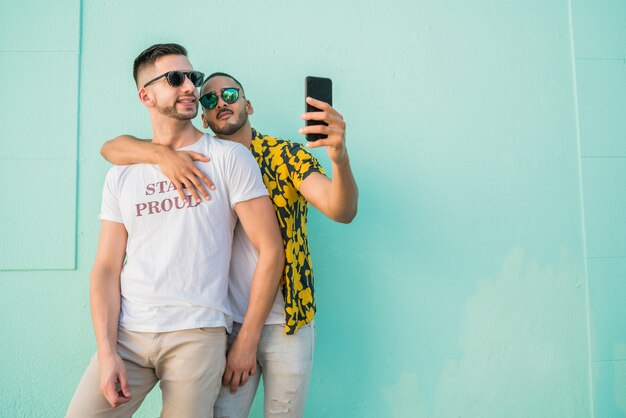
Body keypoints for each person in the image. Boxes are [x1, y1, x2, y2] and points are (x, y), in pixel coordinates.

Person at [100, 72, 358, 417]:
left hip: (287, 320)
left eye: (231, 94)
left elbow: (341, 210)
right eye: (209, 99)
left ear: (247, 104)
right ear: (203, 118)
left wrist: (339, 156)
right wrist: (160, 156)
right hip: (225, 325)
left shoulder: (284, 156)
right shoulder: (201, 161)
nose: (221, 102)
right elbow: (111, 148)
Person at [66, 44, 284, 418]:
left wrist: (246, 338)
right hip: (128, 334)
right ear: (145, 95)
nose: (189, 87)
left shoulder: (229, 158)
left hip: (197, 334)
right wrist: (106, 351)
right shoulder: (123, 173)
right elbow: (105, 267)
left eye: (192, 78)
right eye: (175, 78)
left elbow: (271, 249)